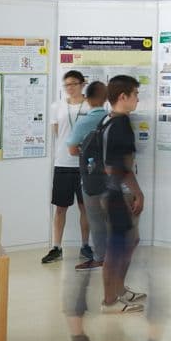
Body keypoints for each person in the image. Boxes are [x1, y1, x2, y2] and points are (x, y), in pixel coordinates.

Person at [100, 75, 162, 341]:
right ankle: (110, 301)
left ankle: (118, 292)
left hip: (106, 191)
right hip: (117, 193)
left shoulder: (107, 119)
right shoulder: (122, 123)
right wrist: (137, 192)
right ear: (123, 96)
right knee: (118, 246)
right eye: (135, 94)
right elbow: (122, 166)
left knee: (127, 241)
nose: (138, 99)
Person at [43, 70, 93, 265]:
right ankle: (56, 247)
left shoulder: (91, 106)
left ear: (82, 84)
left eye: (73, 84)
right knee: (60, 208)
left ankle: (85, 245)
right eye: (67, 85)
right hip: (63, 162)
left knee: (85, 207)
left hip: (85, 164)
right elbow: (57, 132)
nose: (70, 88)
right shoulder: (57, 106)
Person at [65, 81, 110, 272]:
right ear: (105, 98)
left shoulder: (83, 122)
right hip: (114, 177)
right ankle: (116, 257)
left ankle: (100, 258)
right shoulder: (112, 119)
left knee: (96, 219)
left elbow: (72, 150)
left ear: (88, 99)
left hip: (92, 177)